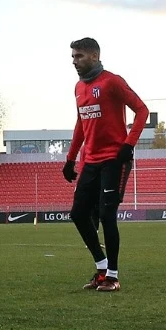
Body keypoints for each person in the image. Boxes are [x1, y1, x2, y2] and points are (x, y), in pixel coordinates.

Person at [63, 37, 148, 293]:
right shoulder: (79, 87)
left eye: (79, 56)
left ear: (94, 57)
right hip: (91, 161)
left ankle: (112, 275)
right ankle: (101, 267)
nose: (74, 61)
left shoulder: (112, 82)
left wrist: (128, 144)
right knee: (78, 214)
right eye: (73, 57)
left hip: (114, 159)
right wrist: (70, 158)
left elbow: (142, 110)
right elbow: (81, 124)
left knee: (106, 215)